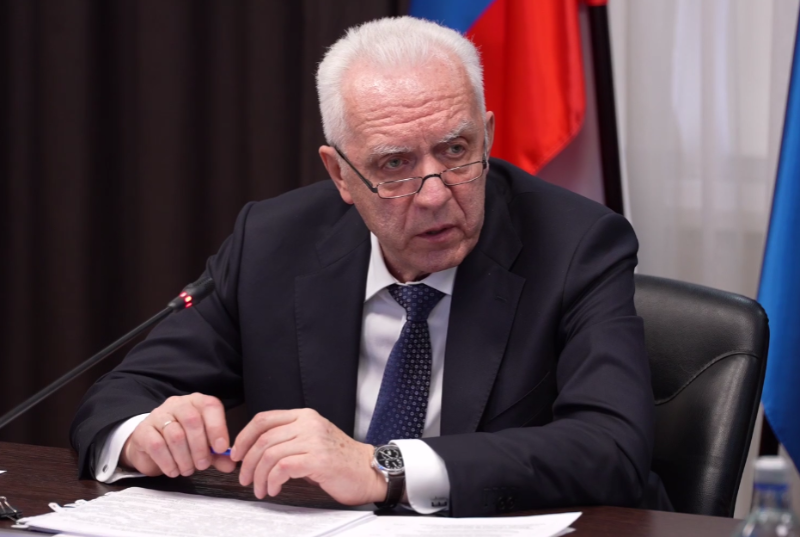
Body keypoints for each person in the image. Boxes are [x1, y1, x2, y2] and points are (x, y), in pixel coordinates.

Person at [70, 16, 671, 517]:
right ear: (340, 174)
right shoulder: (273, 242)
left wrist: (382, 467)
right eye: (394, 164)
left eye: (455, 150)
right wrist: (146, 435)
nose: (434, 193)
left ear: (487, 137)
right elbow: (120, 398)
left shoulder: (577, 245)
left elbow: (611, 448)